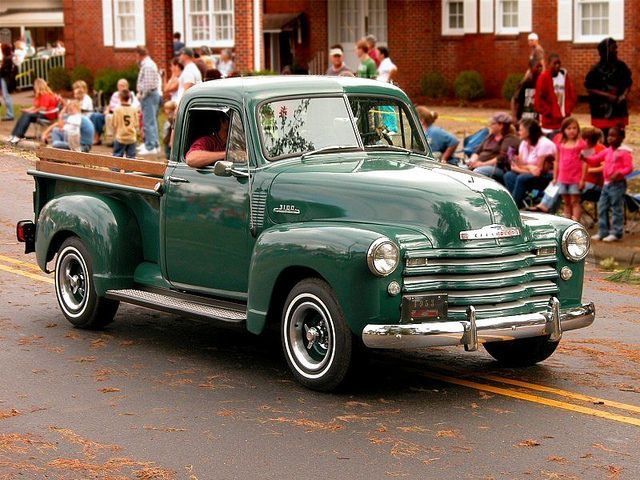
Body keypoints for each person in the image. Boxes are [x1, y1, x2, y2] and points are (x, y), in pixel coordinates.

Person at [589, 126, 633, 242]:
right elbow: (596, 159)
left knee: (616, 208)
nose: (610, 138)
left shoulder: (624, 153)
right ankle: (603, 231)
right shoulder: (607, 151)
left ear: (621, 138)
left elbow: (629, 168)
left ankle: (616, 232)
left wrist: (619, 173)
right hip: (606, 184)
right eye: (609, 135)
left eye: (613, 136)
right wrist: (584, 158)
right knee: (602, 206)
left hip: (617, 185)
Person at [584, 38, 633, 141]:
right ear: (605, 51)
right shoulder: (596, 69)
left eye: (616, 48)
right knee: (604, 138)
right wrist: (607, 96)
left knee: (618, 137)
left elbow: (628, 82)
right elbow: (589, 87)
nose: (616, 50)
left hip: (619, 108)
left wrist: (623, 95)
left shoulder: (621, 66)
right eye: (613, 48)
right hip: (601, 110)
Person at [504, 118, 556, 208]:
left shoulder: (544, 144)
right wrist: (528, 167)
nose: (518, 132)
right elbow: (519, 165)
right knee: (508, 175)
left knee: (522, 178)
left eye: (520, 130)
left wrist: (520, 168)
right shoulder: (524, 143)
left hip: (547, 176)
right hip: (530, 175)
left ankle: (512, 207)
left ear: (529, 131)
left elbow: (538, 171)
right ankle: (520, 203)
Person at [549, 117, 586, 221]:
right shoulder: (560, 144)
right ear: (563, 130)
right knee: (566, 202)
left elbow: (585, 163)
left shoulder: (581, 144)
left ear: (578, 130)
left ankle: (575, 223)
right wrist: (555, 177)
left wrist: (583, 179)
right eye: (568, 128)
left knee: (575, 201)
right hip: (562, 178)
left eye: (574, 128)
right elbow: (556, 161)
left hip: (575, 179)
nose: (571, 131)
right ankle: (567, 223)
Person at [468, 112, 519, 184]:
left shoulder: (509, 139)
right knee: (459, 170)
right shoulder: (490, 136)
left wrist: (481, 164)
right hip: (479, 164)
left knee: (477, 172)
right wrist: (472, 161)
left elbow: (501, 158)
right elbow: (477, 151)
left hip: (498, 168)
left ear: (501, 125)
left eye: (492, 124)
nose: (490, 126)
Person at [7, 78, 58, 144]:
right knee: (26, 114)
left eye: (34, 85)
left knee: (27, 115)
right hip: (42, 114)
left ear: (38, 86)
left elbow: (43, 108)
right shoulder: (40, 95)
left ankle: (18, 135)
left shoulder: (46, 95)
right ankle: (14, 134)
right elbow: (36, 106)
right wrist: (27, 110)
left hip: (47, 115)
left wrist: (32, 112)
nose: (34, 87)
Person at [535, 54, 576, 132]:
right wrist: (549, 112)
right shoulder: (543, 78)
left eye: (559, 63)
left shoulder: (564, 77)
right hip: (549, 121)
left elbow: (571, 95)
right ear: (549, 64)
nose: (557, 65)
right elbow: (539, 99)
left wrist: (568, 108)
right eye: (554, 63)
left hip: (563, 119)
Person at [135, 46, 161, 155]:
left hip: (149, 96)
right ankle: (153, 144)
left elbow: (149, 85)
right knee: (151, 121)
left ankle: (150, 146)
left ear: (139, 54)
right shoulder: (148, 64)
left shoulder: (148, 65)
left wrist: (142, 95)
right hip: (150, 95)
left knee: (148, 121)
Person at [512, 58, 543, 123]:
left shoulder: (542, 84)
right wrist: (514, 116)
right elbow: (514, 100)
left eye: (541, 67)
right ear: (531, 68)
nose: (540, 69)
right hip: (523, 119)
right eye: (537, 67)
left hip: (535, 120)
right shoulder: (525, 83)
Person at [579, 127, 606, 195]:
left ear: (586, 140)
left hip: (593, 184)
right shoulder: (584, 149)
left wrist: (589, 170)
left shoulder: (601, 149)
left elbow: (605, 167)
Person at [112, 89, 139, 159]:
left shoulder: (117, 110)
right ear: (129, 97)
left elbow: (114, 124)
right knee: (131, 158)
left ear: (120, 98)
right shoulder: (134, 109)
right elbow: (136, 124)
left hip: (121, 137)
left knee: (117, 158)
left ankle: (115, 170)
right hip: (131, 137)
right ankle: (129, 170)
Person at [1, 43, 17, 121]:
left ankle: (10, 114)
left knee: (6, 96)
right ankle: (9, 114)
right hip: (7, 79)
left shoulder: (8, 59)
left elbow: (3, 71)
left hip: (6, 79)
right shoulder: (10, 57)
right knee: (6, 96)